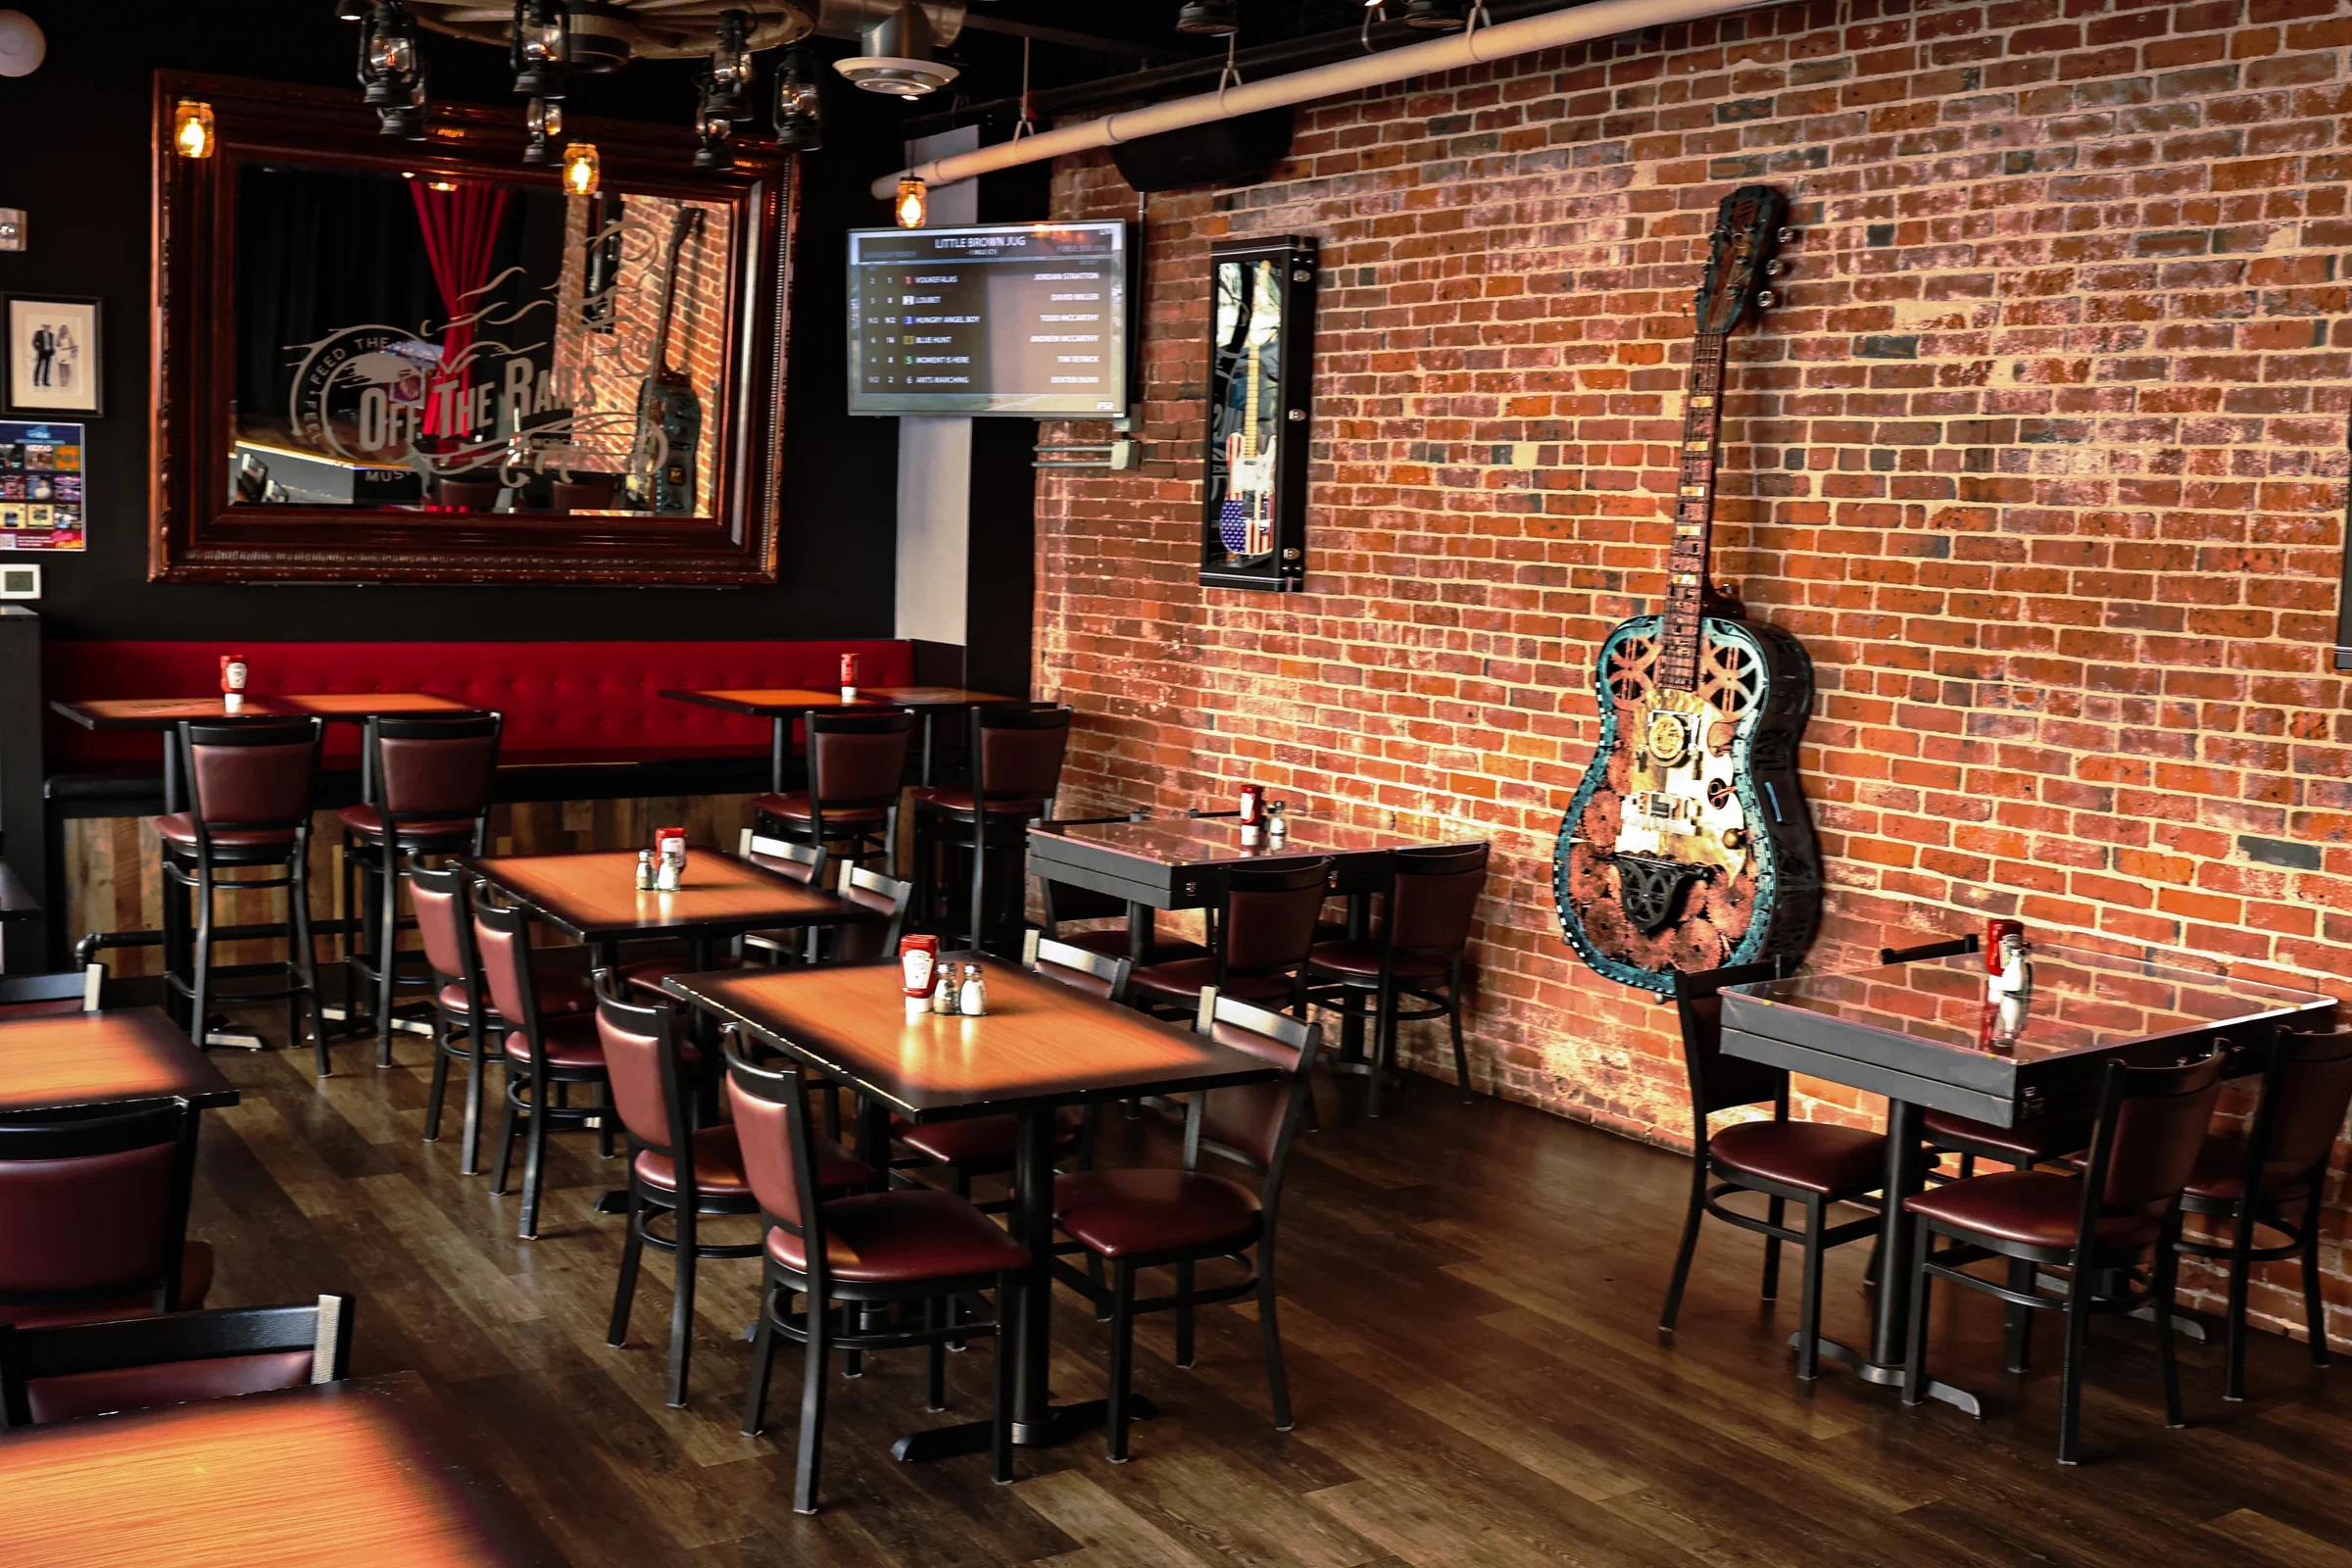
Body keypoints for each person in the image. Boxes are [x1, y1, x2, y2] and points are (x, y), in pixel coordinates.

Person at [28, 321, 54, 387]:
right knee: (38, 366)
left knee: (47, 367)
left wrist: (52, 351)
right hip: (41, 352)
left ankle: (45, 382)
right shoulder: (39, 333)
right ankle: (36, 382)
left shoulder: (51, 334)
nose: (46, 328)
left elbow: (51, 344)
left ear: (49, 327)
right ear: (43, 327)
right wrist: (38, 349)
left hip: (48, 352)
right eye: (45, 326)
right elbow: (34, 342)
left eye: (48, 326)